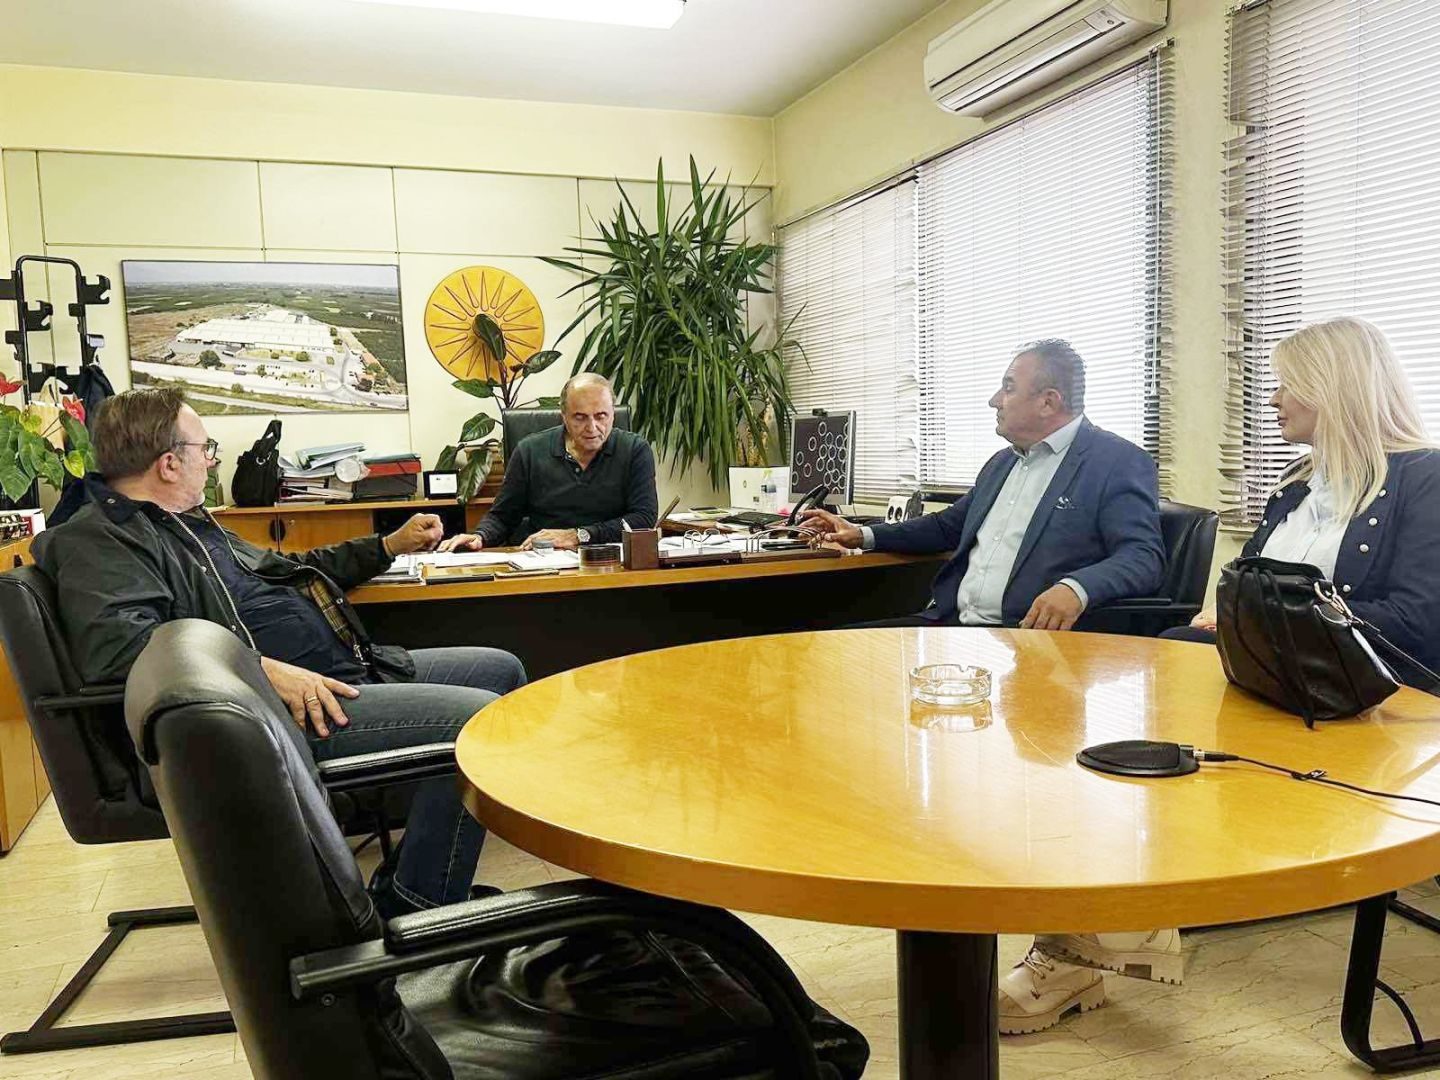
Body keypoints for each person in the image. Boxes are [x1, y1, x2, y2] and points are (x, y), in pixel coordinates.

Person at [33, 388, 527, 919]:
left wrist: (387, 546)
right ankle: (421, 902)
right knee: (476, 722)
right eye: (206, 449)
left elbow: (289, 569)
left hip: (340, 671)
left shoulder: (191, 524)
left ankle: (414, 874)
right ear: (169, 464)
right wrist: (260, 673)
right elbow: (127, 653)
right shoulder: (100, 540)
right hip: (271, 716)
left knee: (502, 670)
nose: (212, 460)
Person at [801, 339, 1165, 632]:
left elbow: (1142, 556)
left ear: (1048, 402)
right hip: (949, 624)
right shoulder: (1002, 463)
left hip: (1024, 638)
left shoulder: (1115, 461)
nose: (994, 401)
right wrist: (862, 534)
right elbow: (947, 527)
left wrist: (1076, 589)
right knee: (829, 647)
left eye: (1008, 388)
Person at [1170, 316, 1440, 686]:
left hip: (1367, 685)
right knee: (1176, 646)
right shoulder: (1295, 478)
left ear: (1334, 389)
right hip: (1282, 669)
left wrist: (1261, 619)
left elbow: (1415, 620)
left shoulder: (1426, 475)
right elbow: (1245, 579)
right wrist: (1225, 610)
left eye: (1288, 385)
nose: (1273, 399)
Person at [441, 372, 658, 552]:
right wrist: (480, 536)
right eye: (580, 417)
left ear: (613, 414)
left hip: (612, 562)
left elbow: (643, 518)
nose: (592, 427)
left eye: (601, 416)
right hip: (546, 563)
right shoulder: (530, 451)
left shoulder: (635, 450)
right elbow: (503, 516)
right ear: (563, 416)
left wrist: (578, 535)